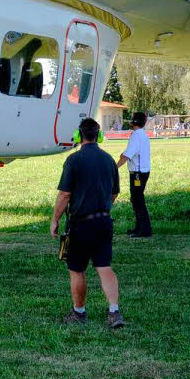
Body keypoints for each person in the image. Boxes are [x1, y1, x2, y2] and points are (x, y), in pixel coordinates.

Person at [50, 117, 124, 329]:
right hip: (103, 222)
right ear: (99, 136)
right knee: (104, 266)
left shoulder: (74, 160)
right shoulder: (109, 160)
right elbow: (114, 193)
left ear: (78, 136)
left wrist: (55, 220)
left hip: (80, 224)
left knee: (77, 269)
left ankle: (79, 312)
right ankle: (114, 311)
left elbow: (64, 194)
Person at [116, 110, 152, 238]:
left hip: (137, 174)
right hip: (142, 172)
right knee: (137, 199)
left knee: (138, 200)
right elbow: (129, 153)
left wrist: (114, 168)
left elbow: (126, 156)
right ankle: (139, 228)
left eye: (132, 119)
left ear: (135, 121)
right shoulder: (142, 134)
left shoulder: (136, 135)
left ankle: (144, 230)